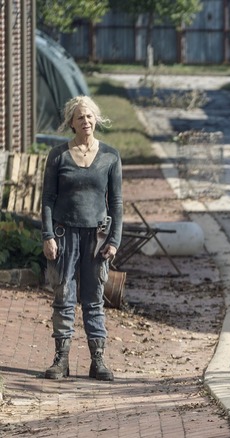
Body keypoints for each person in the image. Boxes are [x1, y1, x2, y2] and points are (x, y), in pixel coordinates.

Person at [41, 95, 123, 381]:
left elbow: (116, 203)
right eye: (79, 118)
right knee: (63, 297)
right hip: (64, 235)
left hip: (97, 239)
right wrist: (48, 235)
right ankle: (61, 360)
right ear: (71, 123)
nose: (85, 121)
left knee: (94, 299)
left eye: (89, 116)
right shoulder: (58, 155)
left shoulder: (111, 156)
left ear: (96, 119)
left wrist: (114, 240)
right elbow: (48, 199)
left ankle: (97, 361)